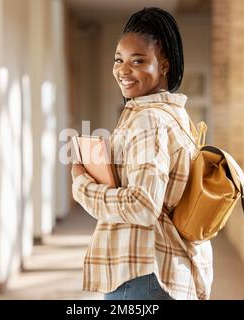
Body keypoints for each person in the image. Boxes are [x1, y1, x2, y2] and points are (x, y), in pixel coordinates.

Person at [71, 7, 213, 300]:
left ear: (164, 66)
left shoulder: (148, 119)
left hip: (142, 278)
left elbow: (143, 204)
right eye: (119, 60)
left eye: (138, 61)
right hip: (162, 272)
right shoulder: (176, 115)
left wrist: (82, 186)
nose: (123, 70)